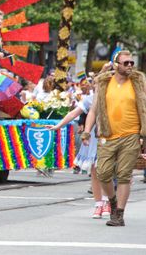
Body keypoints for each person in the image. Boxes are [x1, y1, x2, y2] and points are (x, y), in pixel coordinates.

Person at [83, 51, 146, 226]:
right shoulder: (104, 84)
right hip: (107, 135)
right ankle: (111, 201)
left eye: (132, 63)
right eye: (126, 63)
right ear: (116, 64)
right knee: (102, 173)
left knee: (124, 175)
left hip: (131, 135)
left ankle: (119, 213)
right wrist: (87, 132)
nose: (130, 66)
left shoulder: (138, 83)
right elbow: (93, 110)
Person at [48, 77, 111, 219]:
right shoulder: (90, 99)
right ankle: (98, 204)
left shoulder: (115, 97)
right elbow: (73, 113)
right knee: (95, 171)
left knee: (107, 170)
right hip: (95, 137)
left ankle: (108, 201)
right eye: (96, 84)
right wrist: (58, 126)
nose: (98, 87)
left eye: (101, 84)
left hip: (111, 136)